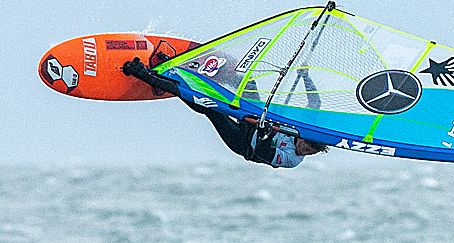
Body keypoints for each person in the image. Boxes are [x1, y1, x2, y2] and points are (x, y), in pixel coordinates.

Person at [122, 57, 328, 168]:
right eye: (308, 147)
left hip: (244, 143)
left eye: (311, 153)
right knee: (248, 83)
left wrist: (265, 135)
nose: (306, 152)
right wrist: (305, 76)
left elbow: (264, 153)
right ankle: (186, 72)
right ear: (306, 138)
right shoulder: (304, 128)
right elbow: (315, 102)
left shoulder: (292, 160)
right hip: (255, 119)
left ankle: (142, 74)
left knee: (211, 109)